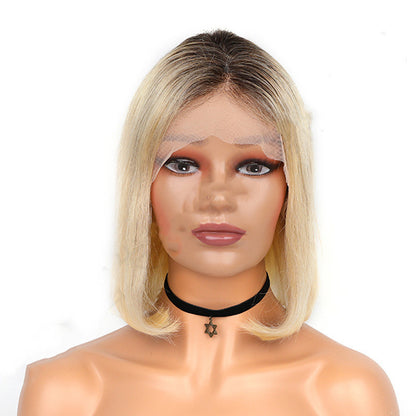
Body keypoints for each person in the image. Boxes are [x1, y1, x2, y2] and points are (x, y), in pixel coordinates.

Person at [18, 29, 399, 415]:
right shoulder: (66, 392)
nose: (217, 197)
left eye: (253, 166)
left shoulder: (348, 394)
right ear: (143, 185)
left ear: (290, 188)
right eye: (183, 165)